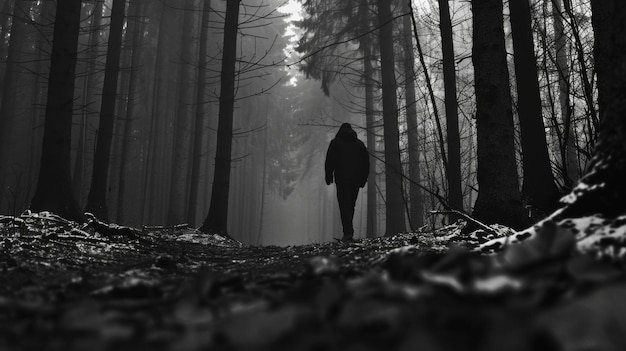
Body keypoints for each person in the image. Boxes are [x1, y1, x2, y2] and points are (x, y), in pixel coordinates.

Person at [325, 123, 370, 242]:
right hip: (355, 180)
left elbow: (330, 161)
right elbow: (366, 164)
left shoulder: (336, 143)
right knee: (351, 205)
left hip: (342, 179)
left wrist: (328, 176)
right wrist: (363, 179)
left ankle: (348, 232)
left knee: (344, 205)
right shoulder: (359, 145)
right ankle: (348, 232)